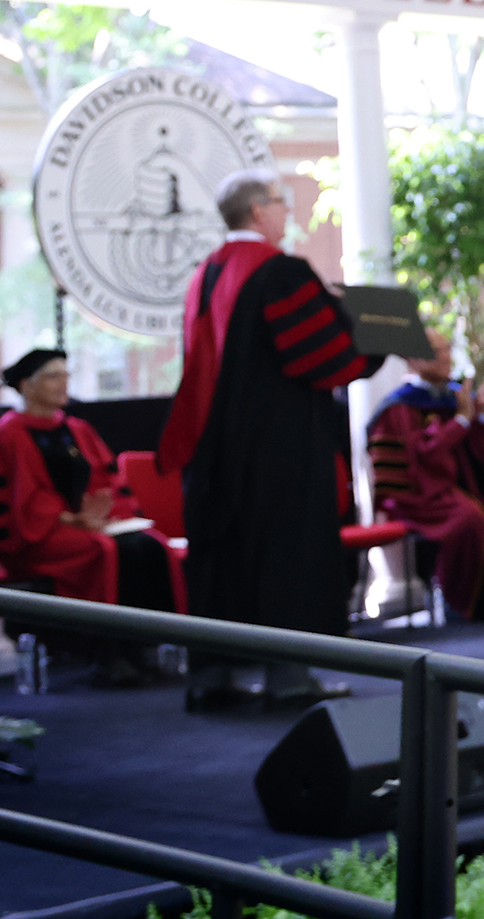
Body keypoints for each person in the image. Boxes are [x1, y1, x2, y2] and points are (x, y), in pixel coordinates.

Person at [158, 168, 382, 711]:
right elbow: (320, 357)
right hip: (277, 446)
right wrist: (377, 339)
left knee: (224, 557)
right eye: (282, 204)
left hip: (214, 449)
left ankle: (213, 677)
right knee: (287, 553)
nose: (288, 214)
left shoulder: (205, 274)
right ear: (258, 211)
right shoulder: (281, 272)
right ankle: (289, 677)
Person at [0, 349, 184, 686]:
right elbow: (19, 502)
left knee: (150, 546)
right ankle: (105, 652)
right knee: (102, 551)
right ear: (26, 385)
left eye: (66, 375)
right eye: (53, 375)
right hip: (33, 538)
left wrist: (103, 512)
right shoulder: (4, 437)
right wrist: (71, 518)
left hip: (86, 527)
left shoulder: (79, 430)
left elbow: (108, 482)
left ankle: (143, 648)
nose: (63, 382)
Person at [367, 330, 484, 620]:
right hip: (421, 494)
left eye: (447, 350)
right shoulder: (399, 408)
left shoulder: (455, 395)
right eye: (437, 352)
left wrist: (482, 414)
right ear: (415, 361)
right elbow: (421, 462)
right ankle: (466, 604)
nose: (446, 358)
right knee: (472, 518)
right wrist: (460, 420)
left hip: (464, 486)